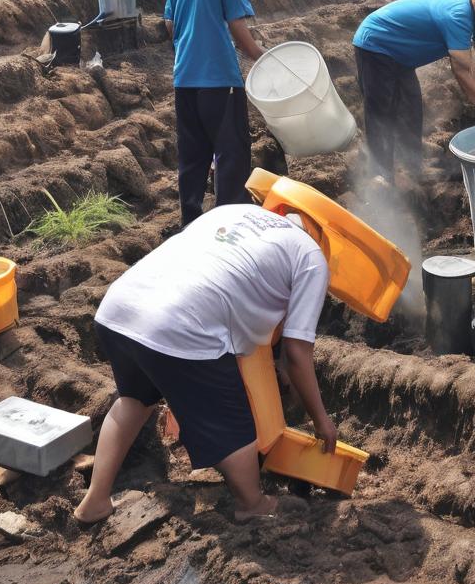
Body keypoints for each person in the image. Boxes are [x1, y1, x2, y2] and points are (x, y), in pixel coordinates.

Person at [74, 203, 336, 525]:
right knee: (232, 418)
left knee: (134, 401)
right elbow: (297, 352)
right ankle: (252, 503)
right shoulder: (312, 258)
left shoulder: (235, 213)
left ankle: (95, 500)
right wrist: (321, 420)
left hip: (120, 308)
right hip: (177, 324)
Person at [164, 0, 265, 227]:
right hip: (220, 80)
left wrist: (190, 49)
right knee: (231, 154)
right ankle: (228, 225)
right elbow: (236, 24)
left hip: (184, 78)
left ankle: (190, 222)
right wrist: (261, 56)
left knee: (193, 156)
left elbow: (170, 24)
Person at [352, 0, 475, 177]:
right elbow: (463, 72)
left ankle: (412, 169)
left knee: (411, 108)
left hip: (401, 56)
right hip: (376, 43)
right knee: (382, 112)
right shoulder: (459, 16)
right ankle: (381, 176)